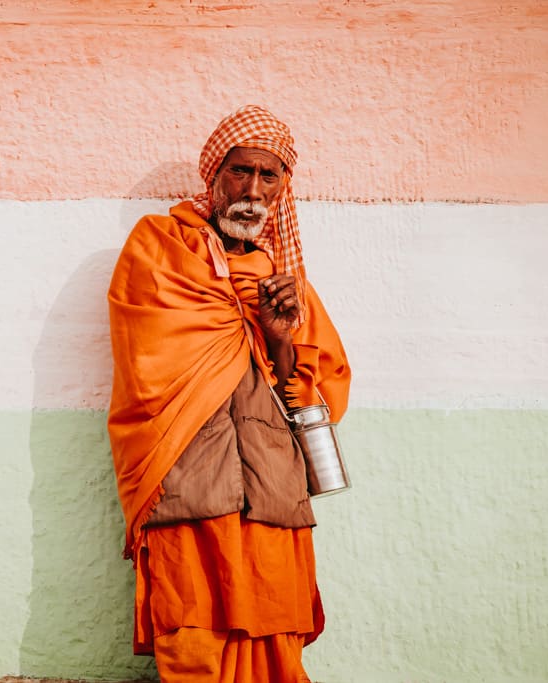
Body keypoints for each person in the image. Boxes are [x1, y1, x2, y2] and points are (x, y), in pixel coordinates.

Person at [106, 105, 351, 682]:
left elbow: (304, 387)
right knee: (191, 615)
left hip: (269, 472)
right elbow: (146, 353)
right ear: (214, 176)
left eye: (269, 177)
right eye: (241, 172)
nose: (252, 189)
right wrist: (229, 321)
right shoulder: (161, 244)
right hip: (187, 462)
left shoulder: (282, 275)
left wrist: (278, 333)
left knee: (275, 612)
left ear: (283, 188)